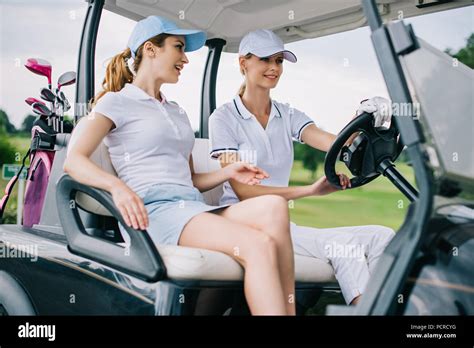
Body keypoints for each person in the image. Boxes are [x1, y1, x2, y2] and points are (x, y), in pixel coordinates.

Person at [64, 18, 296, 315]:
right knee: (257, 244)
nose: (185, 59)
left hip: (191, 207)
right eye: (178, 48)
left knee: (274, 206)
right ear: (150, 49)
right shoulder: (116, 102)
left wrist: (228, 171)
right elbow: (74, 160)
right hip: (156, 213)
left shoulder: (176, 111)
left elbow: (189, 180)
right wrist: (117, 187)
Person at [209, 29, 395, 305]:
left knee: (383, 236)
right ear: (243, 63)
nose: (274, 68)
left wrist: (361, 122)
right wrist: (309, 190)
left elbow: (334, 143)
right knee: (344, 247)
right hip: (243, 222)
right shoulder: (224, 118)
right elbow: (244, 193)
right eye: (265, 60)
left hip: (280, 224)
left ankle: (381, 309)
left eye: (279, 61)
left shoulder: (288, 115)